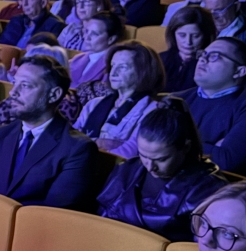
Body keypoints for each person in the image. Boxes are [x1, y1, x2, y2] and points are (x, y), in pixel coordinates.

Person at [0, 54, 102, 209]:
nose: (13, 92)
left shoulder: (77, 149)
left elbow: (54, 212)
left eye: (25, 85)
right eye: (14, 83)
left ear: (53, 94)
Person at [97, 97, 226, 242]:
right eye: (143, 155)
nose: (150, 166)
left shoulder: (208, 187)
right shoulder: (128, 169)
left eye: (161, 159)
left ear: (185, 147)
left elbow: (204, 244)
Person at [174, 36, 246, 176]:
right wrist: (212, 147)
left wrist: (173, 141)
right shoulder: (175, 99)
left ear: (239, 71)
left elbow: (227, 161)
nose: (202, 60)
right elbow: (148, 146)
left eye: (214, 56)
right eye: (203, 54)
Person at [73, 41, 163, 160]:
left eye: (122, 67)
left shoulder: (152, 110)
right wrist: (100, 143)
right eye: (112, 65)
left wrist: (89, 146)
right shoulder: (93, 104)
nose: (113, 73)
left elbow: (133, 151)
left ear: (143, 71)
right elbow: (71, 141)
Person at [161, 3, 214, 92]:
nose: (188, 42)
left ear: (206, 36)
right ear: (173, 34)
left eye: (195, 36)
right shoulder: (160, 59)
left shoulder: (211, 65)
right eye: (182, 35)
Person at [0, 0, 65, 49]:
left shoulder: (55, 25)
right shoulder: (16, 20)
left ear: (43, 3)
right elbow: (2, 46)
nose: (24, 3)